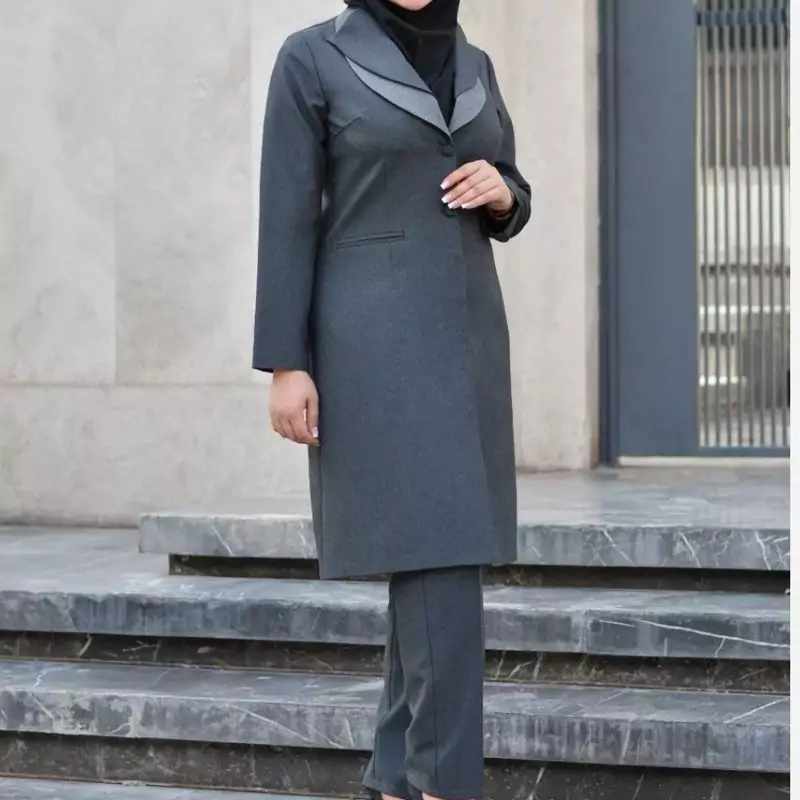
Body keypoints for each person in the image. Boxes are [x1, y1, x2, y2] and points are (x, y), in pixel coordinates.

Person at [253, 0, 531, 797]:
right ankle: (445, 782)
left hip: (470, 340)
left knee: (433, 557)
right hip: (372, 349)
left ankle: (392, 778)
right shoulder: (312, 58)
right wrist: (285, 364)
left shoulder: (474, 64)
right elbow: (286, 214)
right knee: (440, 556)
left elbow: (510, 185)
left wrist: (504, 194)